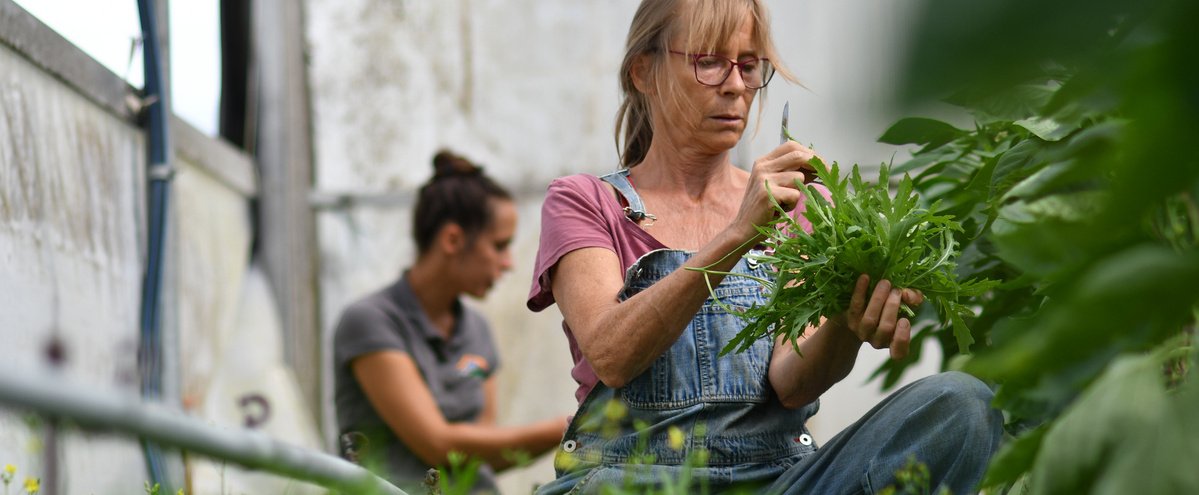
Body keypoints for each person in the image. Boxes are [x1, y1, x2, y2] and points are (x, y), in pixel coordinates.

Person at [526, 1, 1003, 493]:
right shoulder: (585, 201)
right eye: (708, 61)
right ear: (643, 72)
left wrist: (847, 319)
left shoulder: (797, 204)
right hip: (629, 481)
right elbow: (611, 353)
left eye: (750, 66)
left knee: (962, 406)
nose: (736, 85)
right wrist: (738, 233)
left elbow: (792, 383)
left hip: (776, 481)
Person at [333, 150, 570, 494]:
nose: (508, 264)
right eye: (499, 245)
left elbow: (482, 449)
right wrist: (568, 429)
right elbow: (438, 444)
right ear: (452, 240)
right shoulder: (369, 321)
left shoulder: (477, 331)